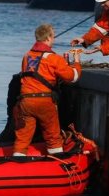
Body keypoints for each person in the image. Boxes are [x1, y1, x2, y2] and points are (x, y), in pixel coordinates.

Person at [13, 24, 81, 156]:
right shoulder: (54, 58)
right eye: (53, 36)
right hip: (45, 101)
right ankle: (57, 162)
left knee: (22, 138)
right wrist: (76, 63)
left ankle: (17, 163)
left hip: (25, 102)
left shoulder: (27, 56)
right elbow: (73, 77)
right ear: (49, 37)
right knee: (53, 137)